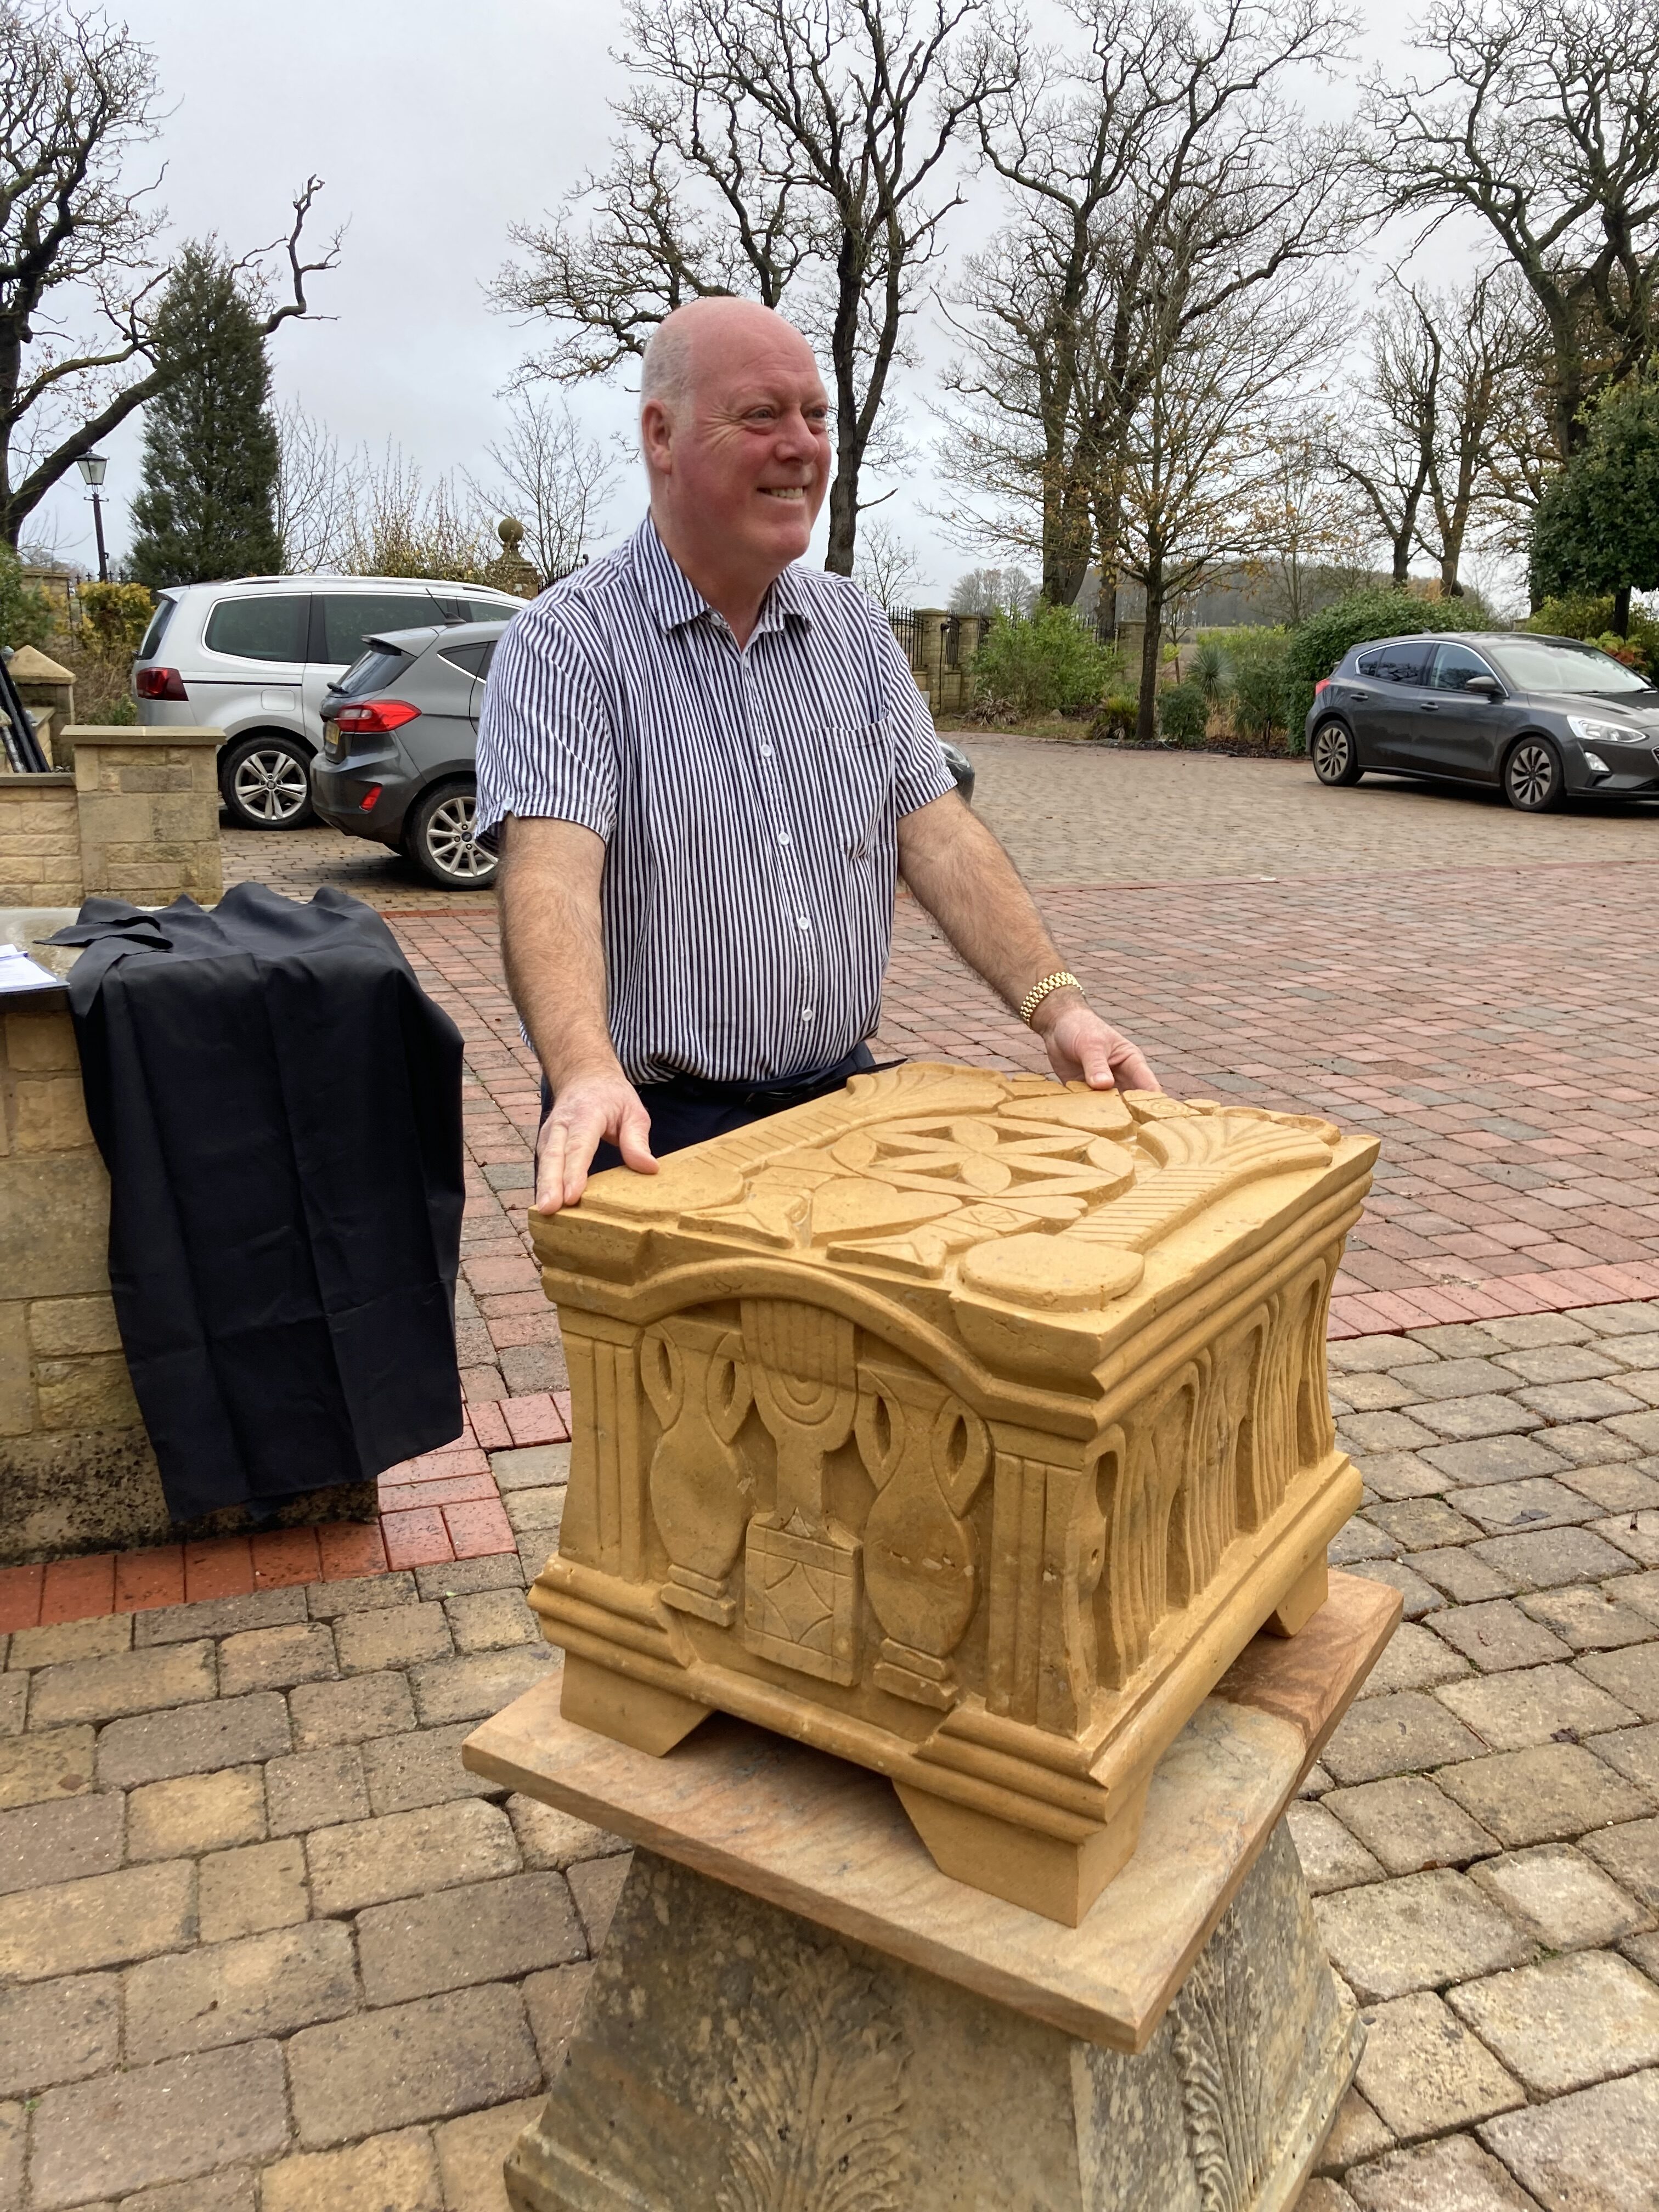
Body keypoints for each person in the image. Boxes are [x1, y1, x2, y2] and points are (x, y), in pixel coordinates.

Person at [475, 297, 1158, 1218]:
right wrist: (585, 1070)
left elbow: (943, 841)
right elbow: (551, 876)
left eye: (817, 415)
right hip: (652, 1133)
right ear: (661, 434)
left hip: (845, 1109)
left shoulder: (855, 630)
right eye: (761, 415)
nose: (802, 444)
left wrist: (1061, 1006)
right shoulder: (568, 643)